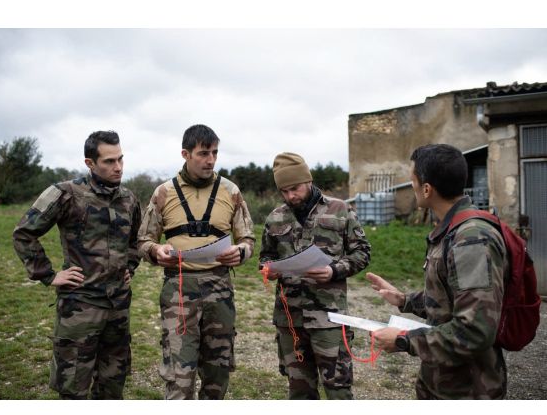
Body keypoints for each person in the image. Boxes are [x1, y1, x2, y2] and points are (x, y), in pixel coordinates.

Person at [369, 144, 509, 399]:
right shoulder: (452, 231)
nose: (411, 188)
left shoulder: (471, 240)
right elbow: (452, 298)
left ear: (426, 189)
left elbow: (475, 331)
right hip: (442, 382)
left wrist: (404, 340)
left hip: (468, 389)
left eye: (412, 181)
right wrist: (403, 300)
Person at [13, 131, 141, 399]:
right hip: (80, 308)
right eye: (108, 161)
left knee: (112, 387)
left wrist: (129, 267)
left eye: (120, 159)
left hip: (118, 308)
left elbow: (135, 240)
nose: (117, 167)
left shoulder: (128, 199)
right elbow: (24, 233)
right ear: (90, 163)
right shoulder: (66, 194)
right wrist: (48, 274)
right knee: (73, 390)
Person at [137, 124, 255, 400]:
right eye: (203, 153)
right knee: (180, 377)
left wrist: (240, 252)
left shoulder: (231, 191)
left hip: (220, 289)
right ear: (185, 154)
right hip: (179, 289)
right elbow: (143, 240)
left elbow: (248, 239)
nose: (211, 159)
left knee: (218, 373)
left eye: (214, 152)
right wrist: (156, 250)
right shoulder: (163, 193)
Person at [260, 152, 371, 399]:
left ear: (308, 180)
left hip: (328, 318)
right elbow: (264, 258)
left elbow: (362, 252)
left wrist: (334, 270)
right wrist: (268, 270)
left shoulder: (341, 210)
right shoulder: (275, 218)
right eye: (284, 191)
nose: (291, 196)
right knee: (300, 391)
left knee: (338, 390)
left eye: (295, 188)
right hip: (290, 320)